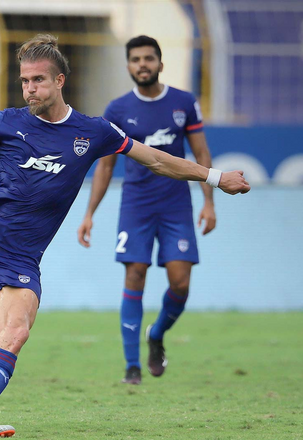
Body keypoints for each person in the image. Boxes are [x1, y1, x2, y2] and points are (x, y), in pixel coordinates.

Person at [0, 34, 250, 438]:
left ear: (60, 81)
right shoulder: (6, 122)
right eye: (24, 81)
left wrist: (215, 178)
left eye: (38, 80)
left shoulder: (94, 132)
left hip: (20, 256)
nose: (29, 89)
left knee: (16, 333)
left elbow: (157, 160)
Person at [76, 35, 215, 385]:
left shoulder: (184, 102)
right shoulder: (117, 110)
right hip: (136, 205)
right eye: (136, 59)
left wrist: (209, 202)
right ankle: (132, 366)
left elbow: (201, 154)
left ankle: (157, 334)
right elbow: (106, 166)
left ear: (160, 63)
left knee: (180, 283)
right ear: (128, 66)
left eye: (148, 58)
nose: (142, 64)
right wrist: (90, 213)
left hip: (176, 204)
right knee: (134, 274)